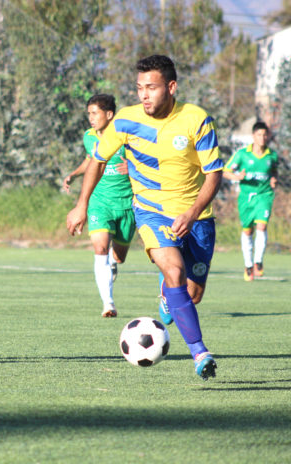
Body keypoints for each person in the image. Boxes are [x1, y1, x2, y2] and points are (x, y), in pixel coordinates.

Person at [66, 55, 224, 380]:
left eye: (150, 87)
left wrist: (193, 213)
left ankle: (167, 293)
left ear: (171, 86)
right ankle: (200, 352)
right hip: (151, 212)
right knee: (174, 270)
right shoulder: (124, 121)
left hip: (198, 219)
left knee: (192, 294)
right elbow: (97, 160)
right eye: (139, 88)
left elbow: (214, 174)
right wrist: (82, 204)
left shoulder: (196, 120)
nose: (143, 95)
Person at [63, 94, 135, 318]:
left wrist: (133, 168)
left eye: (95, 113)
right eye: (89, 114)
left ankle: (113, 263)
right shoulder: (89, 137)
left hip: (126, 204)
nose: (91, 118)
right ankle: (108, 304)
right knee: (100, 248)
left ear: (109, 115)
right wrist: (75, 174)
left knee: (119, 256)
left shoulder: (126, 138)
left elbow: (145, 161)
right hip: (99, 202)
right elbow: (91, 160)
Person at [223, 121, 278, 281]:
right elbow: (226, 172)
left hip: (264, 195)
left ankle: (258, 262)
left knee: (262, 226)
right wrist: (237, 176)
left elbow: (274, 172)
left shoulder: (272, 155)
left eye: (265, 134)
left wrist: (274, 180)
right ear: (253, 136)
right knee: (248, 231)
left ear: (268, 136)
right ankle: (248, 265)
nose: (262, 138)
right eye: (259, 134)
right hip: (246, 197)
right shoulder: (242, 154)